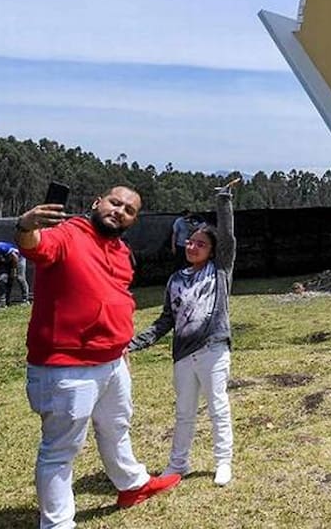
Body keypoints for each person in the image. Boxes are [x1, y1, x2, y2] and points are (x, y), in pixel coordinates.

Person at [15, 185, 180, 528]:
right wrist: (25, 226)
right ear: (97, 203)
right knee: (60, 451)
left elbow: (115, 297)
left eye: (129, 210)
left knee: (117, 427)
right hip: (67, 366)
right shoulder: (67, 234)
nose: (120, 211)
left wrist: (122, 353)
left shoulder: (120, 251)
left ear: (133, 220)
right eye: (114, 202)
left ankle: (132, 485)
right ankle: (58, 524)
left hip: (113, 361)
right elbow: (35, 247)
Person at [130, 180, 240, 486]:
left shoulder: (220, 271)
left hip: (213, 348)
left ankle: (223, 462)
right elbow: (166, 320)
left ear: (214, 251)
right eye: (190, 242)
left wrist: (223, 200)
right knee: (183, 412)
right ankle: (177, 465)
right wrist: (136, 342)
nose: (192, 246)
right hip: (182, 355)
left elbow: (228, 237)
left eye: (200, 243)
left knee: (217, 406)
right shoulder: (175, 279)